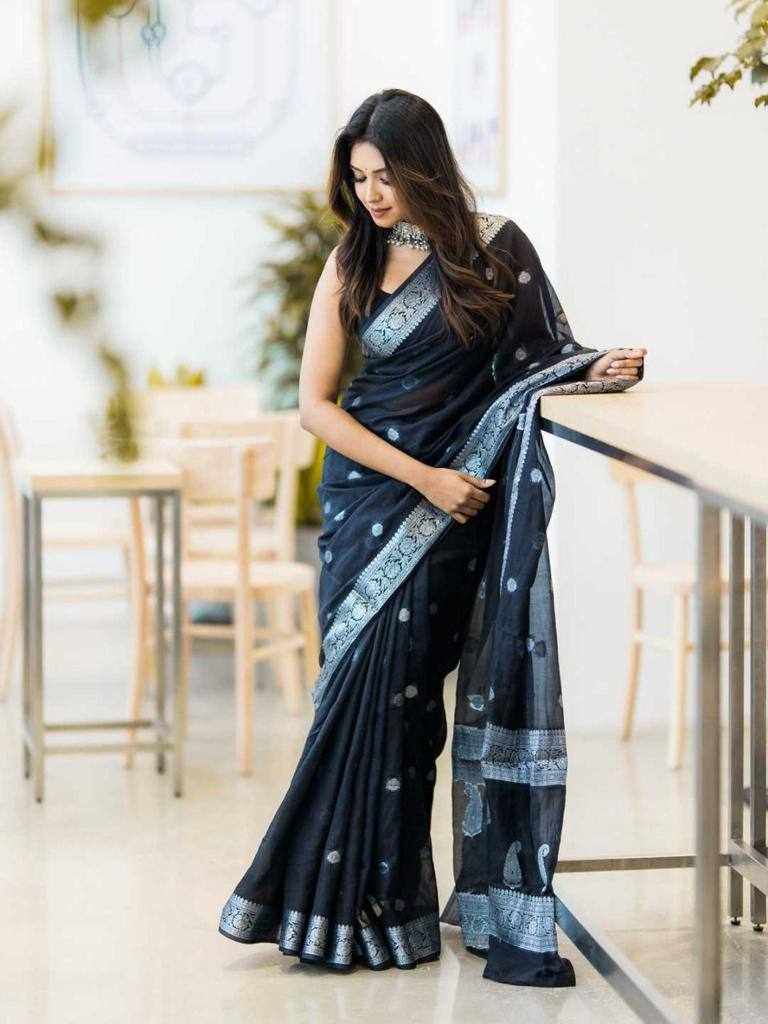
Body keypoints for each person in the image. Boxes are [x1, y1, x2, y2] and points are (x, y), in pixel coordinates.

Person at [217, 88, 646, 988]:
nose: (372, 194)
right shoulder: (351, 260)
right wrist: (425, 479)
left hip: (453, 515)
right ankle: (337, 908)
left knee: (412, 710)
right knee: (357, 699)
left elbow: (536, 357)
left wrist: (589, 368)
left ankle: (388, 911)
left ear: (425, 166)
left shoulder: (496, 250)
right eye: (358, 177)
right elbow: (315, 406)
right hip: (376, 498)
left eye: (386, 175)